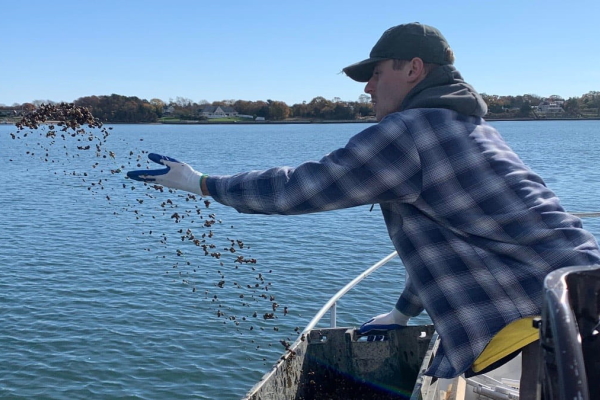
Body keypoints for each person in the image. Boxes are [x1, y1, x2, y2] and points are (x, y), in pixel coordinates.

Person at [127, 22, 600, 399]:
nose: (367, 88)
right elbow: (454, 242)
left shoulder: (409, 131)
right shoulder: (466, 128)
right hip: (577, 298)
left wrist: (201, 184)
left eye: (376, 74)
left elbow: (302, 188)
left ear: (413, 69)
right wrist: (402, 313)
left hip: (536, 321)